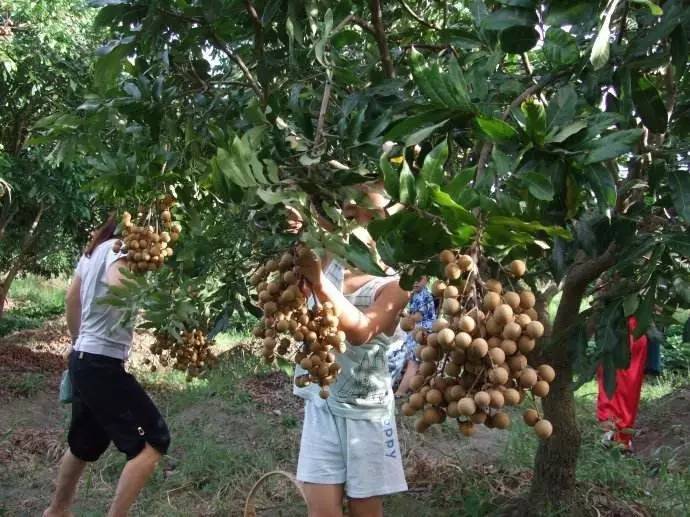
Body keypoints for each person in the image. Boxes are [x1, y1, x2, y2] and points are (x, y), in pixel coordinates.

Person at [290, 183, 410, 517]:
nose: (349, 204)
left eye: (362, 197)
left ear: (389, 213)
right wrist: (298, 228)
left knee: (364, 509)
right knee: (322, 511)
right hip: (322, 402)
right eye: (346, 198)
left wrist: (318, 282)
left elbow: (361, 330)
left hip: (366, 414)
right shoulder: (330, 258)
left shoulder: (397, 282)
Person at [44, 216, 170, 517]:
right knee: (153, 442)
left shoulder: (93, 252)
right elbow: (118, 284)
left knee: (85, 443)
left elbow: (71, 298)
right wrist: (160, 298)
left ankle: (56, 511)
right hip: (101, 364)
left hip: (85, 359)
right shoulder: (121, 249)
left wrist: (79, 344)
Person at [596, 315, 649, 451]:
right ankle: (620, 435)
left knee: (617, 380)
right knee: (629, 385)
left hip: (621, 332)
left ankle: (613, 433)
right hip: (633, 332)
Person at [388, 276, 436, 395]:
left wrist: (404, 316)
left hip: (422, 332)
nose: (415, 282)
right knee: (411, 360)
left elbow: (418, 317)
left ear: (427, 281)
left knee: (413, 363)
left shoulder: (425, 295)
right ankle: (410, 386)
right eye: (414, 279)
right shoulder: (414, 294)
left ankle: (400, 392)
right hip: (414, 331)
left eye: (419, 279)